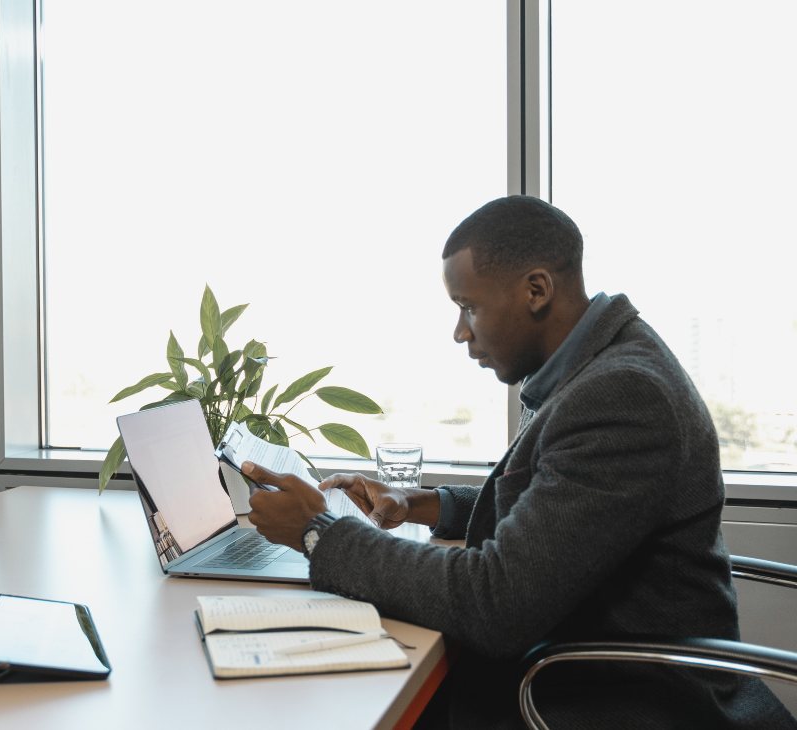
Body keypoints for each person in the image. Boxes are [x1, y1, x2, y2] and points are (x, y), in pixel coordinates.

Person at [244, 196, 795, 728]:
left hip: (621, 705)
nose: (461, 332)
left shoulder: (623, 395)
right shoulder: (602, 364)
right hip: (591, 674)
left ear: (536, 290)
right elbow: (555, 500)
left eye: (469, 307)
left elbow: (495, 604)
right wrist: (422, 504)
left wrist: (321, 533)